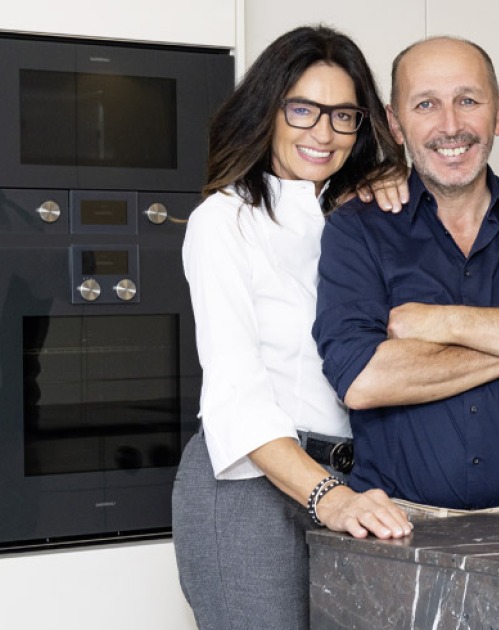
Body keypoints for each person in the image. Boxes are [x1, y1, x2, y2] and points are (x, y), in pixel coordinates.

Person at [313, 36, 499, 518]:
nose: (451, 125)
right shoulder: (356, 229)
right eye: (426, 104)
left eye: (468, 100)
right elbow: (362, 379)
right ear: (395, 124)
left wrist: (445, 323)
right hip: (400, 527)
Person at [171, 25, 414, 630]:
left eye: (343, 116)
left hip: (358, 479)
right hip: (252, 487)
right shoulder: (224, 221)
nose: (323, 134)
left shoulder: (357, 216)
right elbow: (236, 395)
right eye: (303, 110)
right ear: (267, 110)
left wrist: (393, 179)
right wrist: (328, 496)